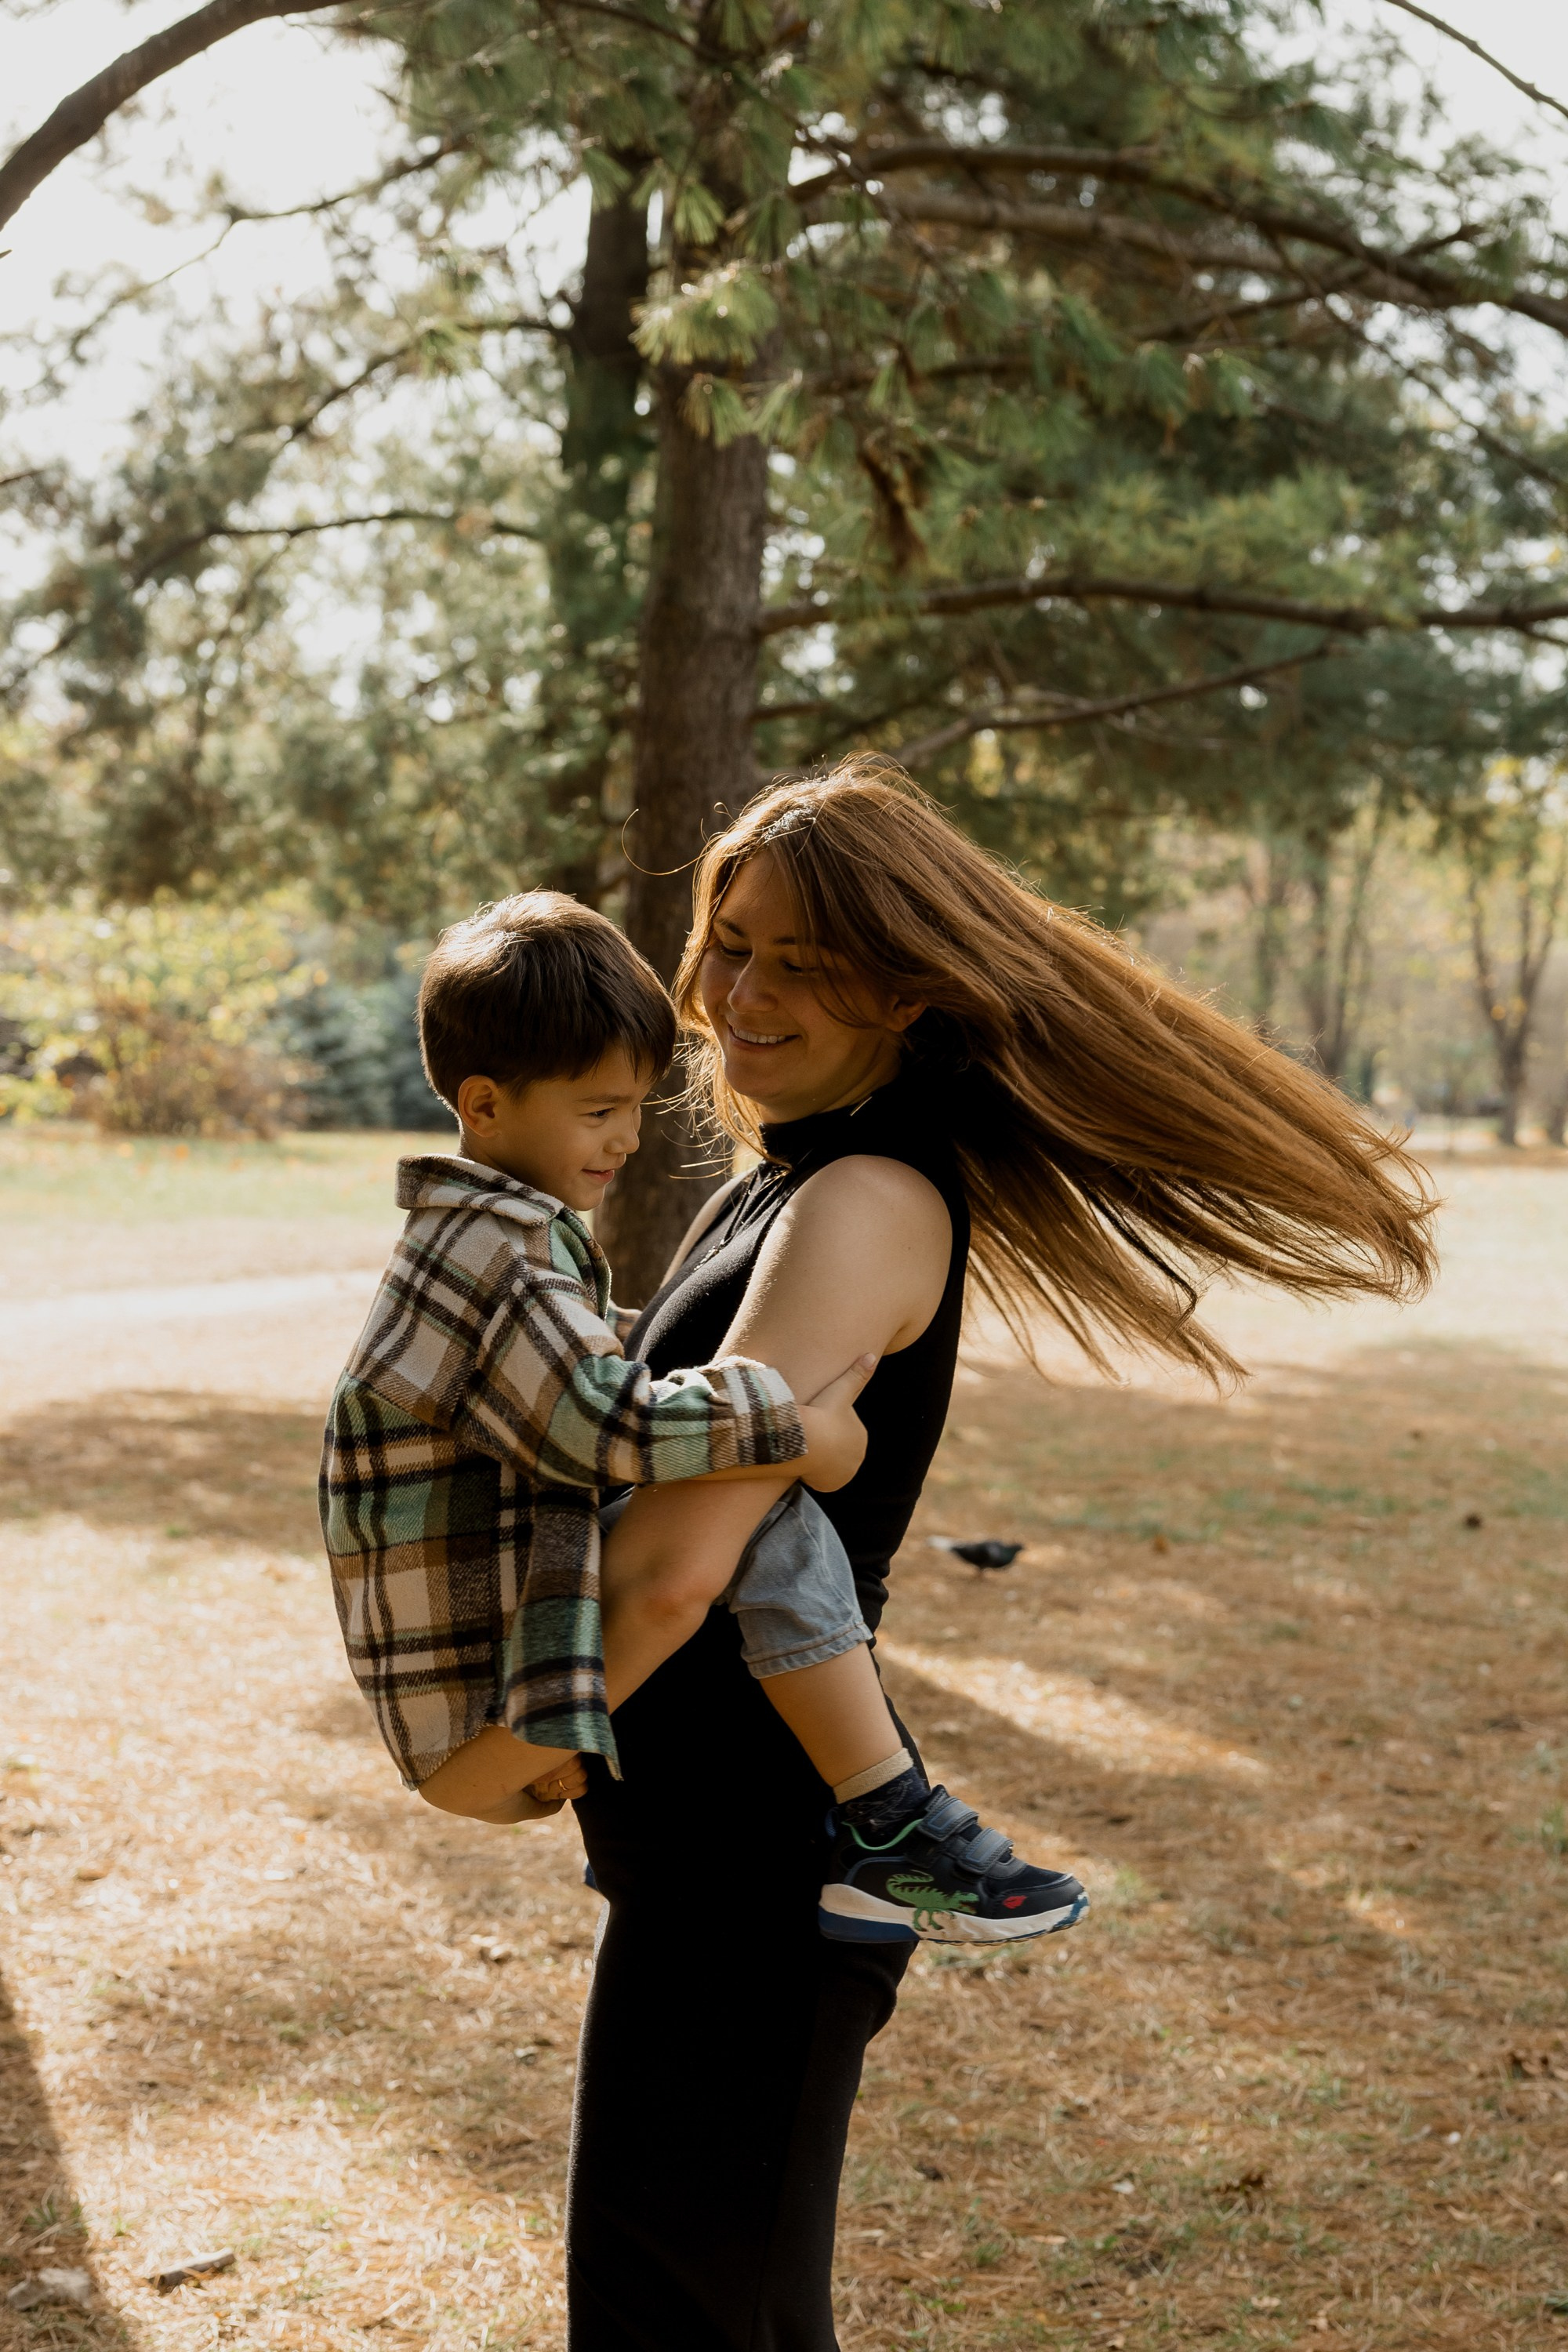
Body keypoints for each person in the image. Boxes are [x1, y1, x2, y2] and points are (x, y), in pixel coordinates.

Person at [564, 757, 1437, 2350]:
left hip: (757, 1879)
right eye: (729, 941)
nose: (738, 992)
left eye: (798, 962)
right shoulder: (784, 1181)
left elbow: (680, 1566)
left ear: (904, 992)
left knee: (674, 2322)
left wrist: (514, 1755)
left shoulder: (861, 1201)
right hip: (718, 1867)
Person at [321, 889, 1083, 1950]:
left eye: (637, 1106)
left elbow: (586, 1380)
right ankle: (890, 1814)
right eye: (600, 1112)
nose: (630, 1139)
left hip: (603, 1754)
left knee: (739, 1489)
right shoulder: (502, 1256)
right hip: (491, 1692)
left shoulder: (495, 1239)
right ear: (485, 1105)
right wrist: (804, 1428)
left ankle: (888, 1814)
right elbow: (603, 1426)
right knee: (761, 1503)